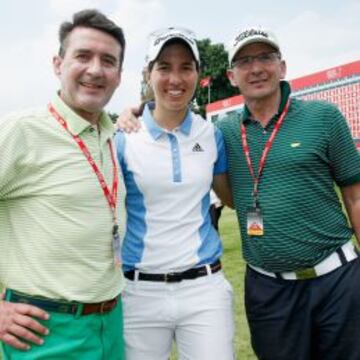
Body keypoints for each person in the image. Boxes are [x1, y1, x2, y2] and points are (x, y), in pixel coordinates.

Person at [217, 27, 360, 360]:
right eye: (245, 61)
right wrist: (132, 115)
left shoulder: (323, 117)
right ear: (232, 76)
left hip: (337, 279)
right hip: (269, 288)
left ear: (282, 67)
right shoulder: (222, 132)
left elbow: (354, 195)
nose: (256, 68)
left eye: (266, 57)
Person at [0, 9, 126, 360]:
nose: (96, 69)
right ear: (58, 64)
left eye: (108, 61)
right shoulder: (21, 131)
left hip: (110, 324)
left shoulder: (109, 135)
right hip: (44, 331)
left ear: (119, 76)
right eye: (83, 56)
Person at [114, 27, 235, 360]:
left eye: (186, 67)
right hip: (139, 292)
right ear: (147, 74)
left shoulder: (211, 134)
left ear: (198, 73)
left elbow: (229, 196)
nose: (175, 78)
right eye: (164, 67)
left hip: (204, 289)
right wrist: (132, 111)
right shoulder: (124, 137)